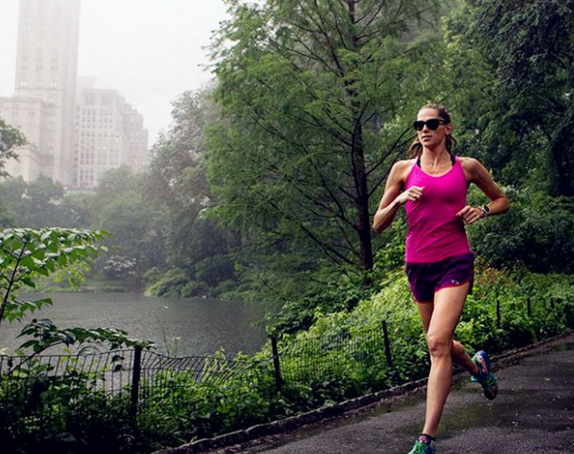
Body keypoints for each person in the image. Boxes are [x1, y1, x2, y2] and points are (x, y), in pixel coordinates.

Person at [372, 103, 509, 454]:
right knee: (442, 344)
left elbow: (500, 200)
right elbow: (378, 223)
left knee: (435, 343)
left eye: (432, 123)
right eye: (419, 124)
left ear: (447, 128)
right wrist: (399, 199)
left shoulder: (467, 168)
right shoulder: (403, 170)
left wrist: (480, 210)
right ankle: (477, 367)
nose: (424, 129)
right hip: (418, 266)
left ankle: (426, 439)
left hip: (455, 262)